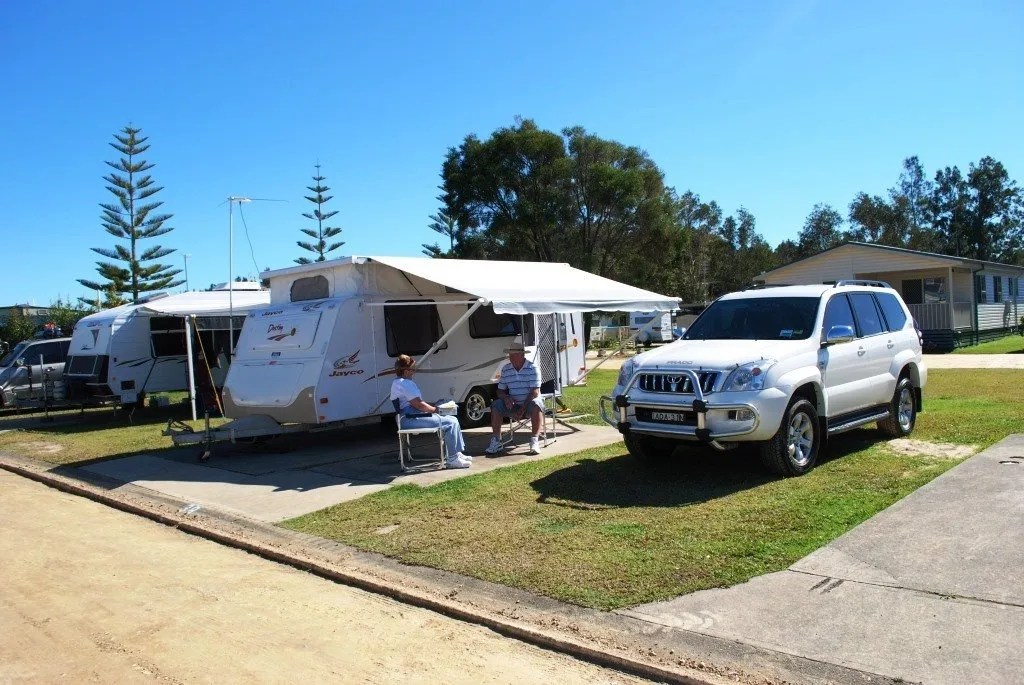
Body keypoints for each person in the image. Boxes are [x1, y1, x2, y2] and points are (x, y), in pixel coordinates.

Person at [390, 354, 472, 469]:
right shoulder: (405, 383)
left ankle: (456, 453)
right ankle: (452, 459)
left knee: (453, 419)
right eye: (413, 369)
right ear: (406, 370)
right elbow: (418, 404)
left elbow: (415, 402)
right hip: (410, 418)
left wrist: (434, 405)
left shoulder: (398, 382)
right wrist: (436, 409)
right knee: (450, 423)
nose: (414, 371)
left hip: (409, 416)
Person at [485, 342, 545, 455]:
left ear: (522, 355)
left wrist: (522, 409)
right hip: (513, 405)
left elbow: (534, 392)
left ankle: (534, 441)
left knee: (536, 404)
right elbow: (500, 390)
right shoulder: (506, 369)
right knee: (496, 405)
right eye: (510, 355)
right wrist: (506, 398)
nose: (511, 357)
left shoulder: (532, 368)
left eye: (514, 355)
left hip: (529, 405)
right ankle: (496, 441)